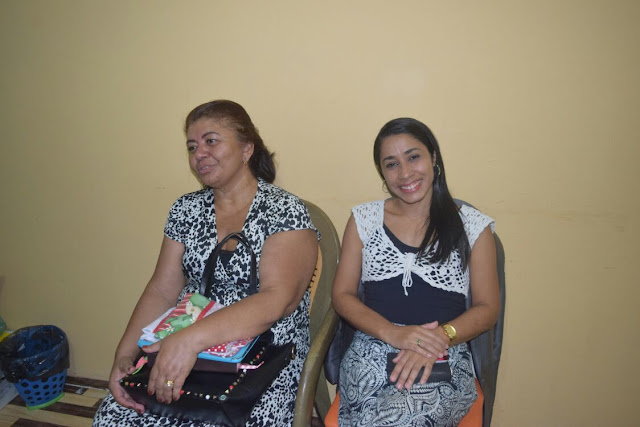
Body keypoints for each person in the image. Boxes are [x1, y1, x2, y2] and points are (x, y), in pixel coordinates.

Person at [94, 100, 319, 426]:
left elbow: (277, 301)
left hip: (264, 353)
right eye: (191, 146)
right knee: (114, 416)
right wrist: (125, 355)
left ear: (246, 148)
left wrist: (190, 340)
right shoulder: (185, 209)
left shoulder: (284, 210)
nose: (199, 153)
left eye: (211, 141)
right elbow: (161, 289)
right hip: (188, 341)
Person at [332, 118, 500, 426]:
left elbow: (487, 309)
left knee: (398, 418)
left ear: (433, 157)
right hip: (372, 346)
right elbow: (342, 296)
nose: (405, 173)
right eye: (391, 164)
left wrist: (438, 338)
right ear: (382, 172)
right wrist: (393, 333)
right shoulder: (364, 219)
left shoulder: (473, 226)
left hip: (442, 351)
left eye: (413, 157)